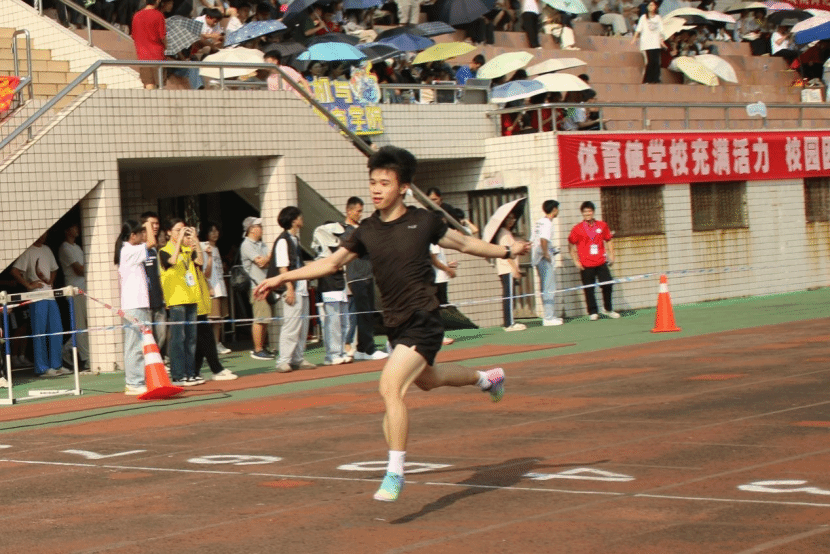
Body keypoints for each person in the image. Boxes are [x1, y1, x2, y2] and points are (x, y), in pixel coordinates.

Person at [253, 146, 530, 502]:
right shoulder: (367, 230)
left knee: (390, 386)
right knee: (428, 380)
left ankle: (395, 472)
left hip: (424, 319)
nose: (376, 189)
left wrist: (507, 251)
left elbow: (465, 243)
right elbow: (330, 264)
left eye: (385, 182)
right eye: (373, 182)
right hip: (396, 324)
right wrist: (282, 277)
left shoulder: (424, 222)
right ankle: (487, 379)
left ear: (403, 187)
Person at [10, 233, 69, 378]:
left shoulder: (47, 249)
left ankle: (56, 365)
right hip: (36, 296)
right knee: (40, 332)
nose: (44, 236)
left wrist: (51, 282)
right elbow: (14, 271)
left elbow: (54, 269)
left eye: (46, 233)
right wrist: (29, 285)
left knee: (56, 329)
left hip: (49, 295)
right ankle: (42, 368)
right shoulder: (28, 251)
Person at [268, 207, 316, 373]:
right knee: (291, 325)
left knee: (302, 325)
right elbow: (283, 267)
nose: (302, 219)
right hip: (293, 288)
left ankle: (297, 357)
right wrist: (289, 288)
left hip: (301, 287)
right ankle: (283, 360)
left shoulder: (294, 239)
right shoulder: (283, 240)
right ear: (294, 220)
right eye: (300, 216)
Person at [342, 197, 388, 362]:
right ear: (349, 211)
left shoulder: (359, 229)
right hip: (357, 277)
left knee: (366, 313)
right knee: (364, 313)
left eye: (361, 211)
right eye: (358, 211)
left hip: (367, 275)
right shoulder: (347, 231)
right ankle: (368, 349)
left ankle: (362, 348)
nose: (360, 214)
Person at [159, 218, 204, 386]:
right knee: (178, 339)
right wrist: (178, 242)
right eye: (177, 230)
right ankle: (178, 374)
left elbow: (200, 262)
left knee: (191, 338)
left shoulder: (188, 250)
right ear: (169, 232)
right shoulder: (164, 251)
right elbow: (171, 261)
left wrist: (196, 240)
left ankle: (190, 373)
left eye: (183, 230)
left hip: (191, 298)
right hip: (176, 300)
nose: (181, 233)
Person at [114, 219, 154, 395]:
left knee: (140, 344)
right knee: (134, 345)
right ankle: (133, 382)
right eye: (141, 232)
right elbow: (151, 242)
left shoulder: (129, 250)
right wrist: (149, 224)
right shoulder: (128, 250)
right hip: (134, 305)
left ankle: (138, 380)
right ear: (133, 235)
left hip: (138, 304)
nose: (144, 235)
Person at [568, 201, 620, 320]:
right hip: (586, 263)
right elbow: (571, 244)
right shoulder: (577, 228)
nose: (588, 213)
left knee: (607, 284)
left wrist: (612, 255)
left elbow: (609, 240)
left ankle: (608, 309)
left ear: (593, 212)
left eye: (590, 211)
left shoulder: (602, 225)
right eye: (585, 211)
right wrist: (576, 261)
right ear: (582, 213)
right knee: (589, 288)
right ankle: (593, 312)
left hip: (601, 261)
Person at [312, 221, 351, 366]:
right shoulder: (321, 247)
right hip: (329, 286)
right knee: (333, 322)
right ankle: (332, 354)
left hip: (341, 284)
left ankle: (341, 351)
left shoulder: (339, 247)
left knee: (345, 321)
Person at [240, 216, 274, 360]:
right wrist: (268, 257)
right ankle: (257, 349)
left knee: (265, 318)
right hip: (256, 287)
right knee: (260, 318)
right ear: (252, 229)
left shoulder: (261, 244)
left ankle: (262, 347)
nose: (261, 229)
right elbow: (262, 262)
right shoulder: (247, 245)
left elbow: (268, 262)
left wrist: (267, 259)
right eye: (259, 226)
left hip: (265, 286)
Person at [58, 222, 90, 370]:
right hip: (74, 291)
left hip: (84, 290)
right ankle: (85, 358)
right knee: (80, 326)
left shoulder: (77, 247)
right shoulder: (65, 248)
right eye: (74, 227)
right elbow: (79, 270)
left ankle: (66, 350)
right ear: (67, 230)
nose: (77, 229)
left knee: (86, 325)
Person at [199, 221, 231, 355]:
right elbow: (203, 270)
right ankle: (210, 346)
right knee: (211, 320)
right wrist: (208, 286)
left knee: (218, 320)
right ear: (206, 233)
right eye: (211, 231)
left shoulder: (216, 248)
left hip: (220, 287)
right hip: (211, 288)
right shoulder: (203, 247)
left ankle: (216, 343)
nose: (215, 233)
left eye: (216, 230)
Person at [139, 211, 168, 360]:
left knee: (161, 335)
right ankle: (150, 365)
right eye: (152, 224)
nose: (155, 227)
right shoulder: (138, 248)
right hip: (145, 302)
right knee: (148, 337)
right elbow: (150, 242)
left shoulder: (154, 250)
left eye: (157, 224)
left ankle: (157, 362)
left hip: (158, 300)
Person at [530, 200, 562, 326]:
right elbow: (543, 239)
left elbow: (534, 240)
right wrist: (546, 254)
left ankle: (549, 316)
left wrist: (551, 250)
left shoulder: (539, 222)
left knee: (545, 287)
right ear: (554, 209)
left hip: (537, 258)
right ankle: (549, 317)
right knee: (549, 288)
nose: (558, 211)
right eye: (557, 208)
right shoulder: (548, 223)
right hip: (543, 259)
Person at [495, 211, 526, 332]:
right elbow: (507, 253)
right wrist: (515, 269)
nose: (511, 221)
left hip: (507, 268)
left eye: (513, 219)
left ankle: (509, 322)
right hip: (507, 268)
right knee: (509, 296)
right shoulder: (504, 234)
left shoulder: (507, 233)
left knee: (509, 295)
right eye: (508, 219)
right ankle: (509, 323)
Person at [131, 0, 167, 89]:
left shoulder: (137, 15)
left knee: (148, 84)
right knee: (160, 85)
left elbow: (134, 36)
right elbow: (162, 37)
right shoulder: (159, 15)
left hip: (143, 55)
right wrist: (166, 46)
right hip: (158, 55)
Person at [631, 0, 665, 84]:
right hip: (646, 43)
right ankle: (647, 79)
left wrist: (662, 41)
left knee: (656, 61)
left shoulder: (658, 18)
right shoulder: (643, 17)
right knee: (650, 61)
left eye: (653, 5)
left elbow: (661, 31)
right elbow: (638, 29)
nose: (651, 7)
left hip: (656, 43)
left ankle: (656, 79)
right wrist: (634, 38)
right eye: (650, 5)